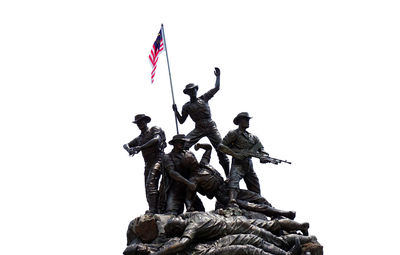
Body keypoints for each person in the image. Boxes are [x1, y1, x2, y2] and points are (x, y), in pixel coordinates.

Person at [185, 143, 296, 220]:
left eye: (194, 158)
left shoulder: (204, 164)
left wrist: (200, 146)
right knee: (251, 206)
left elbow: (209, 148)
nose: (194, 161)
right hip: (223, 197)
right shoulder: (193, 179)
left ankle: (277, 215)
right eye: (191, 161)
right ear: (189, 165)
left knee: (257, 197)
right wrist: (189, 207)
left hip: (228, 187)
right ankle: (282, 213)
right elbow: (189, 197)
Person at [151, 212, 315, 255]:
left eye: (176, 222)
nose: (178, 219)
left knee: (274, 239)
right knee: (272, 226)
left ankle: (291, 247)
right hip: (238, 220)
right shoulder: (193, 216)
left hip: (237, 227)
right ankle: (305, 234)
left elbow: (183, 243)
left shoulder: (192, 225)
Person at [172, 67, 230, 178]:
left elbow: (216, 88)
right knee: (183, 145)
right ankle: (186, 169)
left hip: (211, 126)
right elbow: (181, 121)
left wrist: (218, 76)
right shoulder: (187, 106)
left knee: (221, 150)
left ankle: (228, 176)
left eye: (193, 89)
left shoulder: (204, 98)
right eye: (190, 91)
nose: (192, 92)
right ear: (187, 93)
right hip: (198, 128)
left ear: (196, 90)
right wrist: (176, 111)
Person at [219, 112, 272, 207]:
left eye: (248, 119)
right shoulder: (233, 133)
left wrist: (263, 157)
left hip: (248, 165)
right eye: (245, 119)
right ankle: (232, 201)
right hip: (238, 163)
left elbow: (261, 149)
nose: (248, 121)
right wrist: (235, 154)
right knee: (233, 181)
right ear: (239, 121)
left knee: (255, 185)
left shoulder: (253, 137)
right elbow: (221, 146)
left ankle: (259, 205)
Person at [123, 114, 166, 214]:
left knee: (150, 183)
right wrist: (129, 149)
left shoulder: (154, 129)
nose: (139, 124)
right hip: (148, 163)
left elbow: (156, 139)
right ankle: (154, 208)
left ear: (146, 121)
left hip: (159, 160)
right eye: (138, 123)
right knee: (147, 187)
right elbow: (125, 144)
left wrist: (140, 147)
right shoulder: (139, 138)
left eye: (141, 122)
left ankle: (153, 210)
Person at [161, 134, 205, 215]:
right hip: (175, 190)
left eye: (183, 142)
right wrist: (188, 183)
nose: (183, 144)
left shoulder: (189, 155)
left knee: (200, 210)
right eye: (180, 142)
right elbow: (172, 173)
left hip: (189, 190)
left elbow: (196, 169)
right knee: (171, 213)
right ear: (174, 144)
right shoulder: (167, 157)